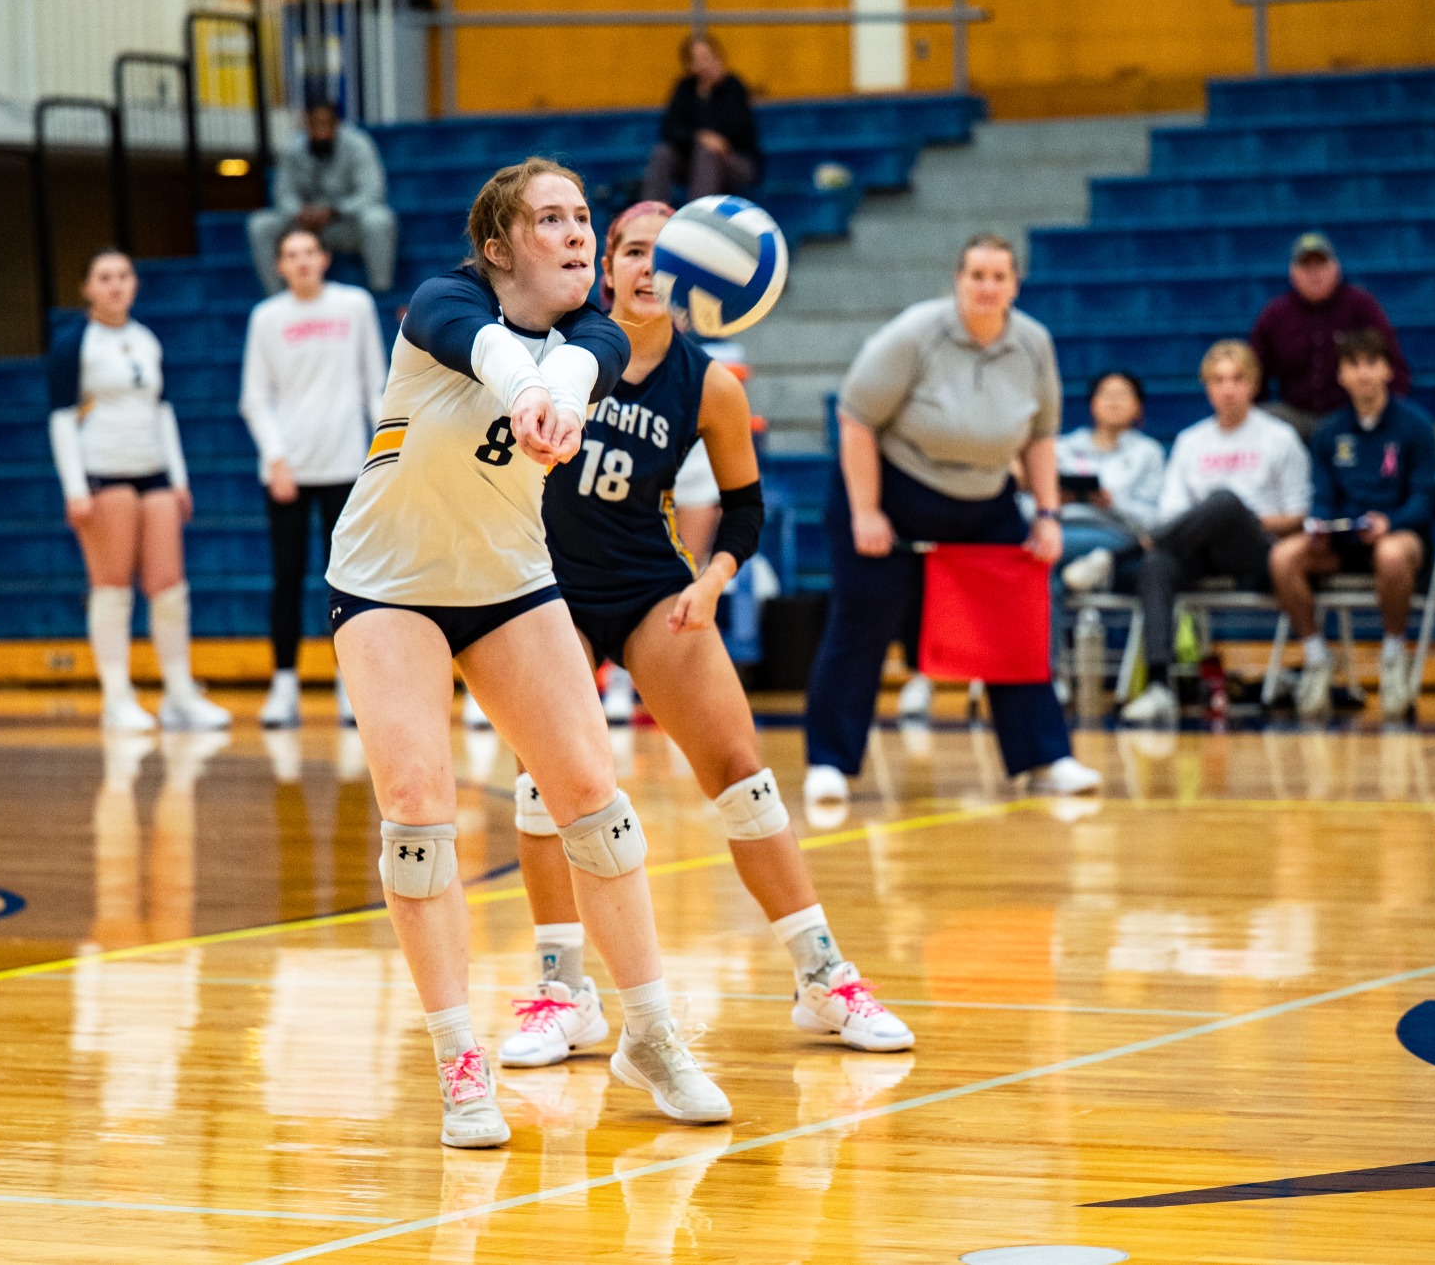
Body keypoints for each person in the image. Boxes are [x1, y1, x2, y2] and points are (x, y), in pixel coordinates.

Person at [327, 158, 728, 1148]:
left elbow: (578, 361)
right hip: (388, 584)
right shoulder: (441, 300)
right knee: (418, 807)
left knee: (593, 793)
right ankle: (461, 1064)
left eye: (584, 217)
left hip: (507, 579)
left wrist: (556, 388)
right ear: (500, 244)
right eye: (551, 219)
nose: (577, 234)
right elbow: (487, 353)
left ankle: (650, 1031)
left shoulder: (592, 331)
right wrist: (528, 391)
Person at [497, 201, 913, 1074]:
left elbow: (747, 507)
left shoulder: (710, 384)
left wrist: (712, 581)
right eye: (637, 252)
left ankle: (823, 977)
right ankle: (561, 991)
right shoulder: (549, 353)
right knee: (545, 785)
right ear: (605, 265)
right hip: (546, 590)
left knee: (744, 781)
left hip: (652, 586)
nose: (651, 271)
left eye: (669, 257)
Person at [802, 233, 1101, 806]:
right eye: (976, 276)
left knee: (1015, 624)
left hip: (985, 499)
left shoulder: (1035, 344)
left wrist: (1047, 514)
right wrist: (866, 512)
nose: (987, 287)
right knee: (864, 618)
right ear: (958, 282)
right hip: (891, 490)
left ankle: (1046, 756)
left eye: (999, 277)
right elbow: (856, 417)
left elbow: (1040, 437)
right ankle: (830, 763)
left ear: (1016, 285)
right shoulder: (916, 334)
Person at [49, 250, 232, 733]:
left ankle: (178, 695)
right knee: (111, 589)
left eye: (123, 276)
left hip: (153, 472)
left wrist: (179, 479)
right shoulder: (74, 343)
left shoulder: (146, 339)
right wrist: (74, 488)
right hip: (103, 474)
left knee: (170, 589)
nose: (115, 286)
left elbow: (163, 410)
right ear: (88, 288)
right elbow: (62, 420)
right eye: (104, 278)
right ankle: (117, 697)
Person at [239, 226, 388, 729]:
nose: (301, 261)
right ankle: (284, 687)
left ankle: (351, 686)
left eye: (308, 252)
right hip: (288, 470)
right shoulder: (267, 318)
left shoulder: (355, 306)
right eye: (290, 255)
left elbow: (377, 385)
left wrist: (381, 456)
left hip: (348, 466)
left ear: (325, 258)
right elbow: (255, 396)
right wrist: (276, 458)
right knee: (286, 577)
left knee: (345, 581)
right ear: (279, 265)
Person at [1119, 340, 1311, 726]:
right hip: (1200, 547)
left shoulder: (1280, 437)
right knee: (1157, 563)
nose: (1228, 388)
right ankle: (1159, 685)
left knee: (1224, 502)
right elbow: (1173, 511)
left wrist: (1241, 517)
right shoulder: (1192, 441)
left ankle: (1116, 555)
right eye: (1219, 380)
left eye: (1237, 379)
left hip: (1256, 548)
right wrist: (1208, 521)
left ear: (1254, 385)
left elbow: (1297, 516)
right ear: (1207, 386)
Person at [1266, 329, 1435, 722]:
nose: (1362, 374)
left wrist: (1390, 522)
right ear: (1341, 375)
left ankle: (1394, 656)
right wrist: (1319, 525)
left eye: (1371, 364)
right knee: (1283, 557)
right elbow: (1323, 495)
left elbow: (1424, 498)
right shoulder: (1329, 431)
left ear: (1387, 371)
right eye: (1353, 365)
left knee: (1393, 553)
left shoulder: (1414, 426)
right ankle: (1315, 657)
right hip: (1343, 540)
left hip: (1398, 535)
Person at [1248, 232, 1410, 442]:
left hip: (1350, 412)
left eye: (1321, 266)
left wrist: (1388, 412)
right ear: (1293, 273)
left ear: (1336, 268)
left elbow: (1392, 364)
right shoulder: (1275, 315)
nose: (1315, 274)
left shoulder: (1361, 306)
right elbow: (1251, 374)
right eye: (1307, 268)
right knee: (1255, 419)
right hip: (1295, 416)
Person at [246, 100, 397, 297]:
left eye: (327, 123)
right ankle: (277, 296)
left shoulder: (358, 144)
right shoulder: (291, 149)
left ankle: (381, 292)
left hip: (345, 223)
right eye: (315, 124)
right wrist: (299, 213)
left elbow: (372, 192)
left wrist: (335, 211)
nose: (321, 130)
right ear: (306, 124)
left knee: (378, 220)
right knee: (261, 224)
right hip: (303, 226)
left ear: (337, 124)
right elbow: (283, 195)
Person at [1056, 370, 1167, 596]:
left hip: (1117, 535)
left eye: (1123, 395)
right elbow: (1027, 504)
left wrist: (1113, 502)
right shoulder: (1061, 449)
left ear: (1138, 406)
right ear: (1092, 403)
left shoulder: (1148, 453)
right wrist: (1053, 501)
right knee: (1051, 574)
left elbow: (1157, 519)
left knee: (1048, 560)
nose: (1114, 402)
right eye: (1106, 394)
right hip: (1063, 526)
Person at [642, 35, 760, 203]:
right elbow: (670, 128)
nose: (703, 64)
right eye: (696, 60)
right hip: (694, 161)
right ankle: (651, 213)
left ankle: (697, 219)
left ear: (718, 57)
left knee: (707, 153)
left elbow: (735, 133)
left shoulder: (734, 87)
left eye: (706, 58)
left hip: (736, 163)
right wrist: (699, 136)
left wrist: (711, 96)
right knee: (663, 153)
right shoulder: (686, 88)